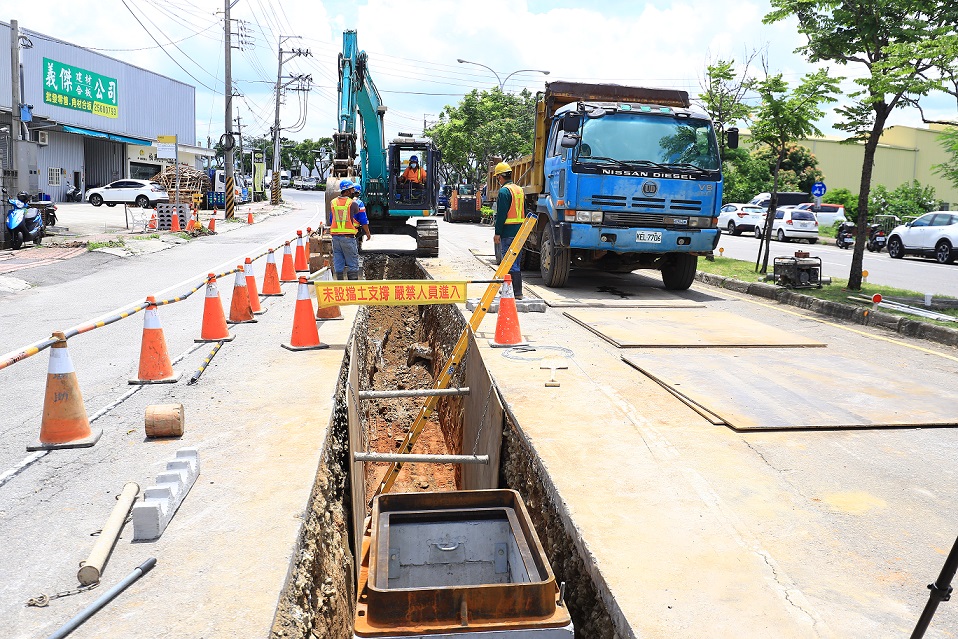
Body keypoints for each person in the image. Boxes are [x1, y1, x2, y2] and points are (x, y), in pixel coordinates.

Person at [492, 161, 525, 299]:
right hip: (520, 232)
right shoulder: (519, 190)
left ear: (500, 177)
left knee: (508, 263)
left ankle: (514, 292)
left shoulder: (504, 191)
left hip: (508, 232)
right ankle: (516, 291)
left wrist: (497, 233)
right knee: (515, 262)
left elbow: (501, 215)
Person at [327, 180, 371, 280]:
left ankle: (339, 283)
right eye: (352, 190)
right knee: (352, 262)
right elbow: (362, 219)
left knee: (338, 260)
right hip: (348, 237)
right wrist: (367, 233)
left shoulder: (333, 202)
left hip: (335, 238)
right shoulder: (353, 203)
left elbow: (331, 219)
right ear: (346, 191)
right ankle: (352, 284)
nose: (353, 192)